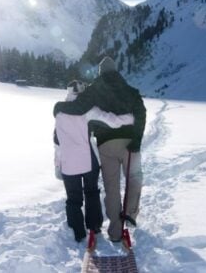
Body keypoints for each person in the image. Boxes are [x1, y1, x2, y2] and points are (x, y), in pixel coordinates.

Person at [53, 57, 146, 243]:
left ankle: (114, 231)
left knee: (111, 188)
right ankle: (129, 214)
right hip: (129, 144)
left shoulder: (93, 90)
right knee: (134, 178)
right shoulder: (131, 91)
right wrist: (135, 136)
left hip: (104, 145)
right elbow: (138, 114)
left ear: (100, 72)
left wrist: (59, 107)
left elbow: (77, 109)